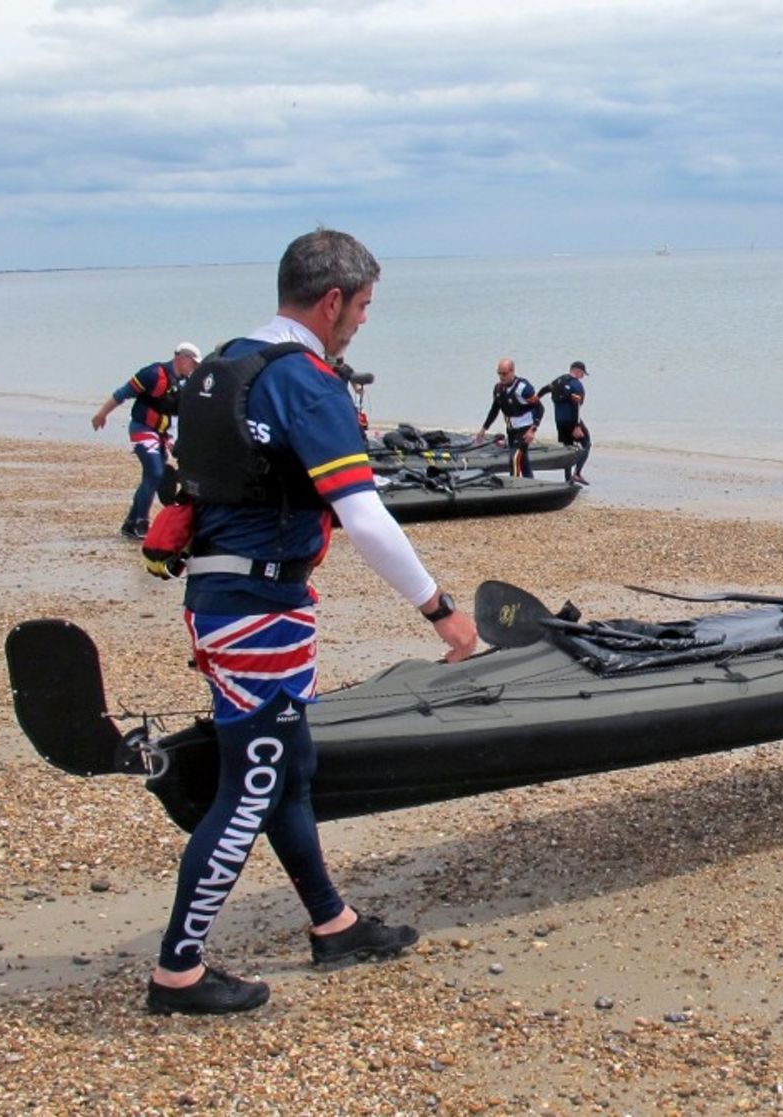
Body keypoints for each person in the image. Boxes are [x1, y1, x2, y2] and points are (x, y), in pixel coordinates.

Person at [149, 229, 479, 1016]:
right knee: (251, 785)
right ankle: (178, 971)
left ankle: (332, 923)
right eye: (362, 307)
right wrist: (441, 609)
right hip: (256, 612)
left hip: (230, 596)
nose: (362, 322)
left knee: (289, 769)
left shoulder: (230, 360)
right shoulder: (305, 382)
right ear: (332, 301)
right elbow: (363, 518)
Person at [92, 342, 199, 539]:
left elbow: (181, 415)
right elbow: (122, 393)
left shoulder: (183, 382)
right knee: (155, 472)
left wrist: (176, 440)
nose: (193, 369)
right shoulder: (152, 374)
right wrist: (102, 414)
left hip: (161, 435)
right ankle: (142, 522)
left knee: (152, 476)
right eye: (193, 364)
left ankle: (130, 524)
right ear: (182, 358)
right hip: (142, 429)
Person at [474, 358, 543, 477]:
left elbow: (540, 408)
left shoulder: (523, 388)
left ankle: (514, 487)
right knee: (522, 460)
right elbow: (494, 409)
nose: (501, 377)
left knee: (514, 458)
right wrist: (484, 429)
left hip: (525, 428)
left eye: (504, 374)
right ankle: (531, 485)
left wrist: (533, 430)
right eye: (499, 373)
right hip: (511, 429)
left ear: (512, 372)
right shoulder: (498, 389)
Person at [546, 360, 591, 484]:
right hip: (572, 420)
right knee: (586, 444)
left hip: (560, 421)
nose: (582, 376)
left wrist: (536, 398)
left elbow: (545, 389)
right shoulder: (576, 385)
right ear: (578, 370)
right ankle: (577, 473)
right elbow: (576, 406)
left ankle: (568, 479)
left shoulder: (559, 381)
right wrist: (577, 426)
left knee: (568, 449)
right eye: (582, 373)